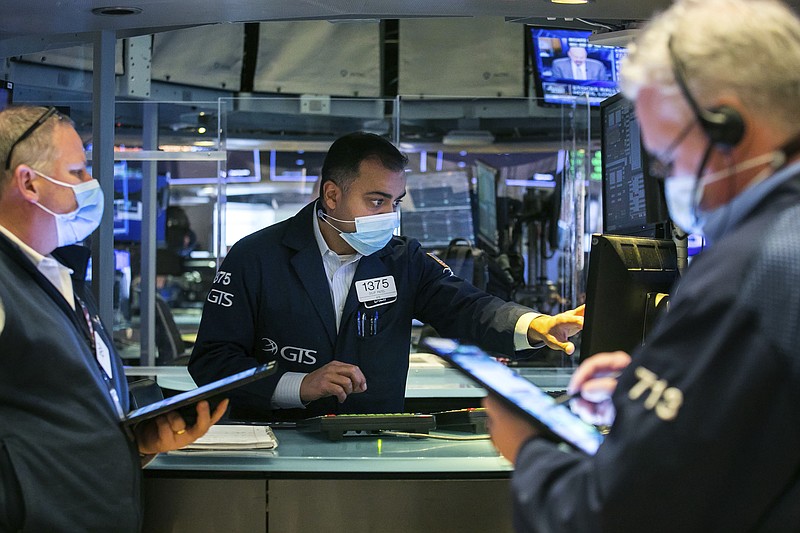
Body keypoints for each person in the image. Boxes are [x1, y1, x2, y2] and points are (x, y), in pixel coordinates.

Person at [482, 0, 800, 530]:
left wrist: (531, 445)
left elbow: (616, 515)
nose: (666, 176)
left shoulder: (749, 273)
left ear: (726, 127)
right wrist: (674, 386)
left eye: (668, 158)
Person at [189, 131, 584, 421]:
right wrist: (298, 384)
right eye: (376, 201)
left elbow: (467, 307)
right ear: (331, 195)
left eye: (394, 203)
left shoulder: (402, 259)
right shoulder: (255, 257)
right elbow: (212, 361)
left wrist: (536, 324)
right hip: (279, 439)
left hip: (375, 440)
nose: (388, 216)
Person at [0, 105, 228, 531]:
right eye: (78, 172)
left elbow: (53, 418)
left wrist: (132, 445)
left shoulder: (59, 275)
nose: (92, 185)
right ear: (29, 182)